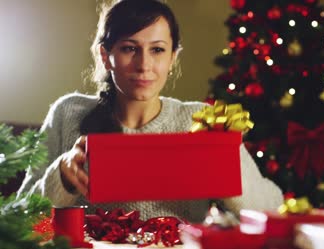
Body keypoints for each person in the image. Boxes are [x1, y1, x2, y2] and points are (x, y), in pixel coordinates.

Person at [17, 0, 283, 222]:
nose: (144, 64)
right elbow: (19, 216)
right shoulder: (67, 113)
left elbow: (272, 208)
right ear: (105, 56)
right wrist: (61, 176)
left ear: (172, 58)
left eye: (157, 50)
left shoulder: (202, 121)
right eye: (129, 48)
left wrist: (226, 174)